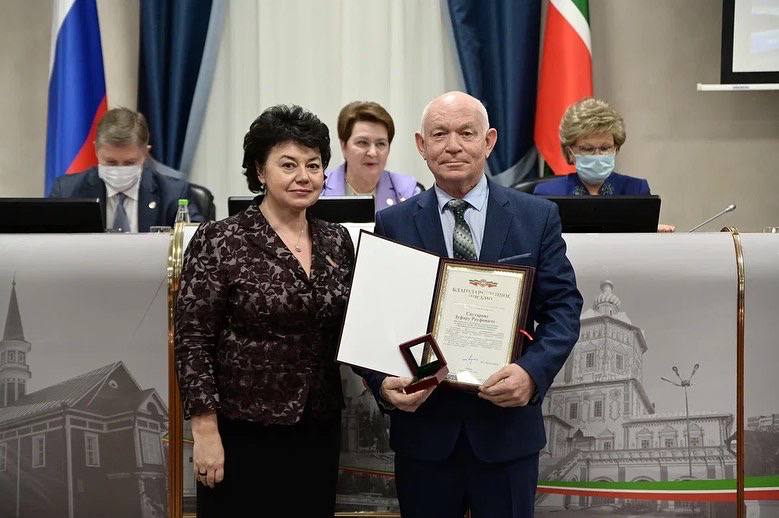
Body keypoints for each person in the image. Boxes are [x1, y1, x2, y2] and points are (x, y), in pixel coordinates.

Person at [359, 91, 583, 517]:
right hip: (425, 434)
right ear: (421, 145)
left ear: (489, 141)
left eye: (466, 133)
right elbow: (373, 320)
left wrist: (531, 373)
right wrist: (382, 384)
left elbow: (563, 309)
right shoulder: (394, 223)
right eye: (439, 134)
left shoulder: (536, 217)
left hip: (506, 432)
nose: (453, 146)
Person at [174, 105, 354, 517]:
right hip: (241, 432)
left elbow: (353, 326)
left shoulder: (337, 240)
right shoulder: (220, 239)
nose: (303, 176)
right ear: (260, 171)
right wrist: (204, 430)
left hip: (318, 428)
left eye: (314, 165)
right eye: (288, 165)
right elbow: (192, 342)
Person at [49, 107, 203, 231]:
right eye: (111, 163)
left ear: (145, 153)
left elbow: (200, 244)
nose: (119, 170)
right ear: (96, 150)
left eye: (129, 163)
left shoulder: (173, 193)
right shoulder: (67, 192)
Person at [533, 97, 675, 231]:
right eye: (587, 149)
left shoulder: (636, 189)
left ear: (616, 148)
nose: (597, 155)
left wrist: (651, 233)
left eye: (605, 148)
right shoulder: (547, 194)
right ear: (570, 152)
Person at [322, 101, 421, 211]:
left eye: (381, 144)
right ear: (343, 146)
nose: (373, 153)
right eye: (362, 142)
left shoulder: (409, 193)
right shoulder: (319, 189)